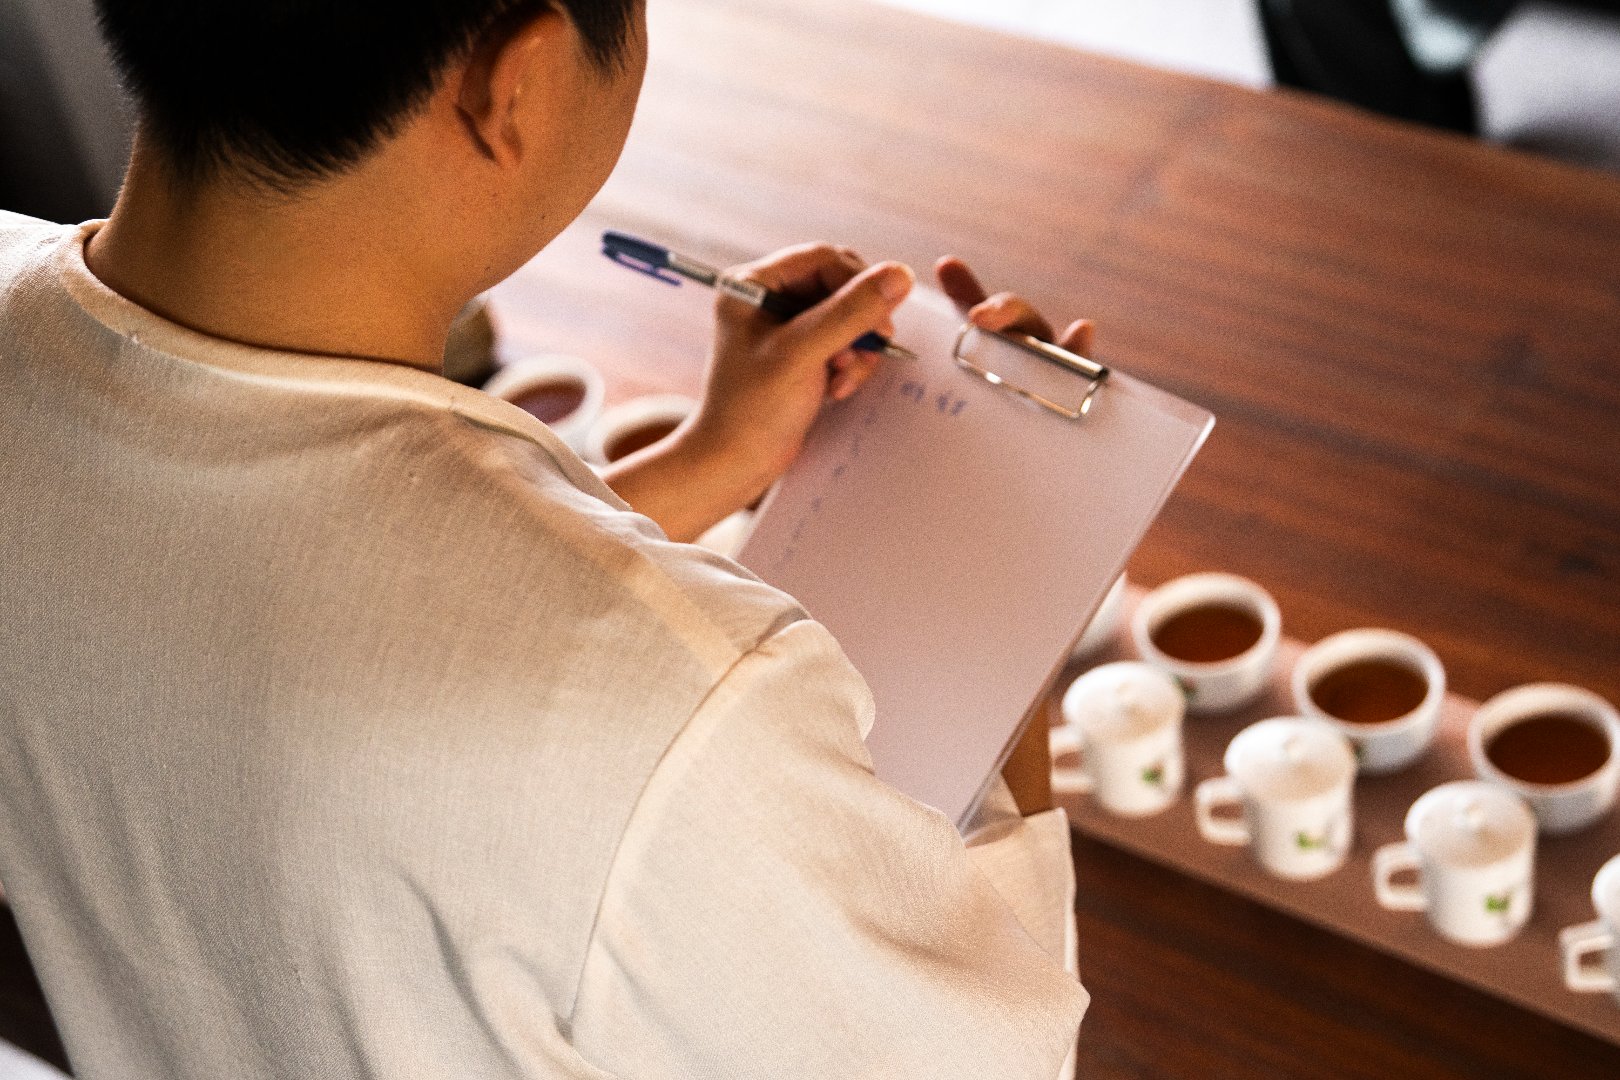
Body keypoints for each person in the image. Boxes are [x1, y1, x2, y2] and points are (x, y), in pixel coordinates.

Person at [0, 1, 1097, 1076]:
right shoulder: (680, 717)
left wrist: (710, 459)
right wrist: (1021, 589)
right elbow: (992, 1044)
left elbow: (282, 568)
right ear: (509, 78)